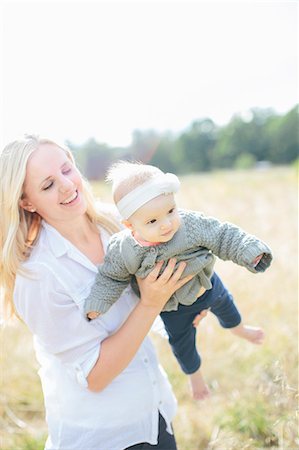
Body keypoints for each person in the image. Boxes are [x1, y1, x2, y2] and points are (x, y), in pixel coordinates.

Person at [0, 135, 197, 450]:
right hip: (104, 434)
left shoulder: (117, 223)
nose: (66, 185)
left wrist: (182, 306)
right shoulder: (37, 276)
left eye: (67, 170)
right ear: (26, 202)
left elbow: (154, 288)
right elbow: (96, 376)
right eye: (48, 185)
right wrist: (151, 304)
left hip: (154, 409)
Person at [85, 161, 273, 400]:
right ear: (130, 226)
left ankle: (239, 329)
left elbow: (223, 235)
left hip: (206, 286)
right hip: (172, 308)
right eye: (152, 221)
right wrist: (98, 303)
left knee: (226, 305)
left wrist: (250, 252)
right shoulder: (124, 250)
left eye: (171, 211)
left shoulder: (190, 225)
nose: (166, 224)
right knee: (182, 345)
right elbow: (111, 276)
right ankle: (195, 377)